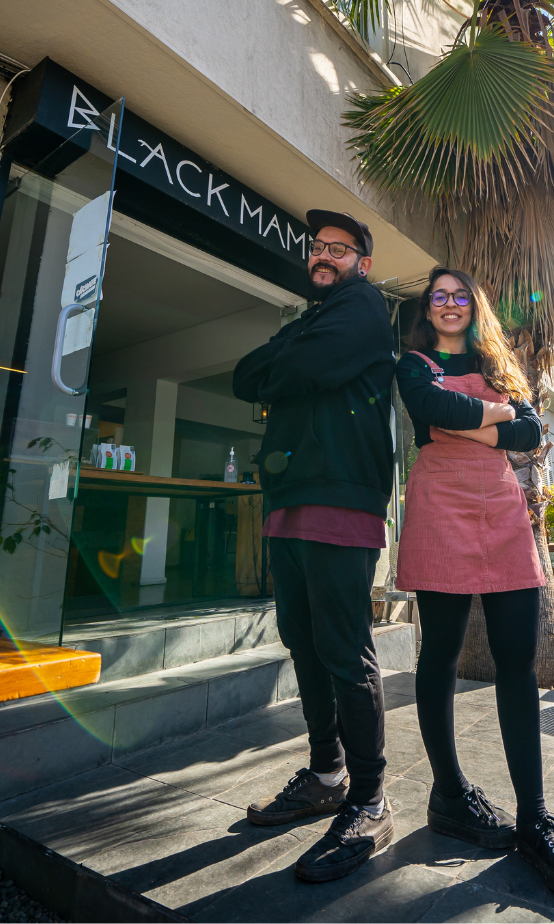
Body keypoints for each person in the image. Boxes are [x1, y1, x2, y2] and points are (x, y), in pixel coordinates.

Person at [392, 267, 554, 899]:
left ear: (474, 306)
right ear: (428, 309)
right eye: (438, 297)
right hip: (440, 504)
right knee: (442, 653)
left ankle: (534, 817)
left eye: (460, 296)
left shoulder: (503, 369)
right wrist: (502, 417)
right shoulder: (414, 363)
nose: (449, 304)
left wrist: (483, 418)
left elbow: (532, 434)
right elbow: (431, 407)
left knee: (516, 661)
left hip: (501, 510)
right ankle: (448, 794)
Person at [233, 210, 396, 882]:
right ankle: (327, 772)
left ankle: (369, 798)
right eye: (317, 247)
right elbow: (248, 375)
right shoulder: (311, 316)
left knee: (343, 648)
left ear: (362, 260)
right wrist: (292, 360)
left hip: (340, 496)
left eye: (339, 248)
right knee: (303, 641)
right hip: (290, 499)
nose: (324, 255)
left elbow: (310, 366)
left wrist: (291, 362)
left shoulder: (363, 307)